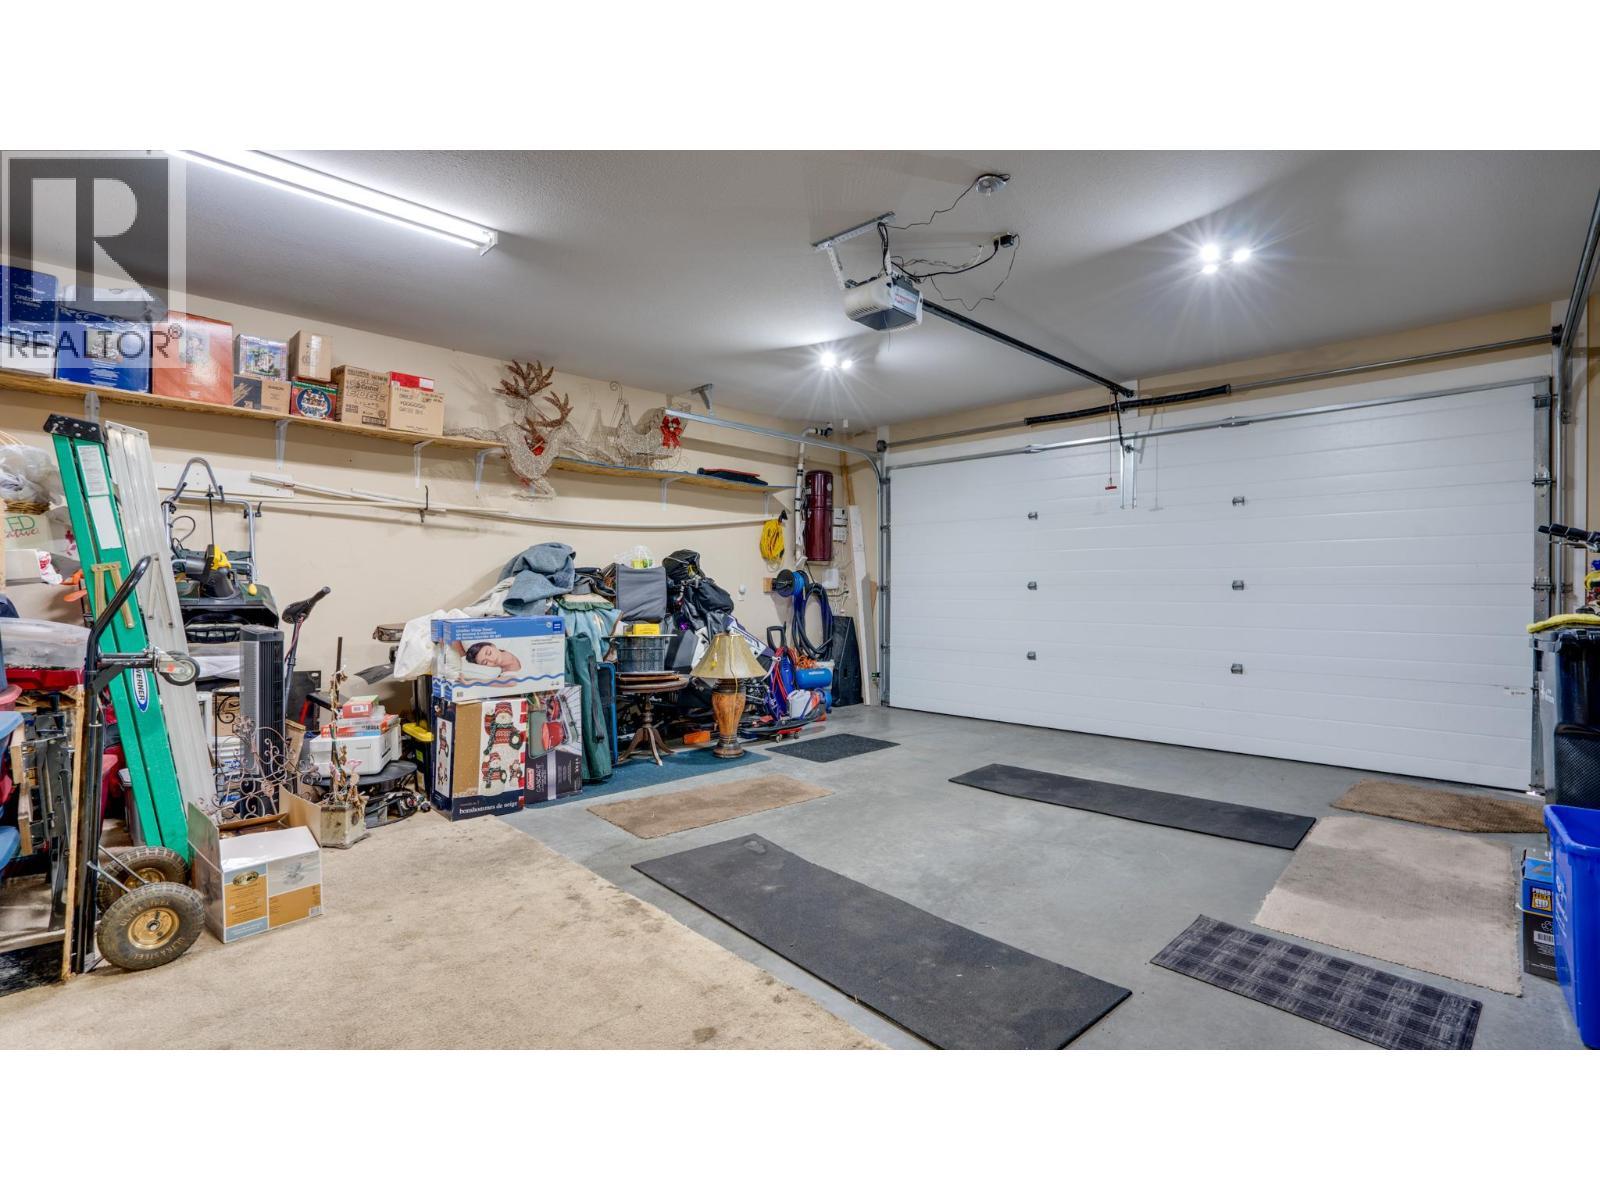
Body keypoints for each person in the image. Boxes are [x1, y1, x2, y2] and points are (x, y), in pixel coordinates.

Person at [457, 640, 522, 677]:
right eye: (485, 662)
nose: (491, 659)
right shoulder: (507, 676)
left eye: (489, 653)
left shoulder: (516, 644)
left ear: (493, 646)